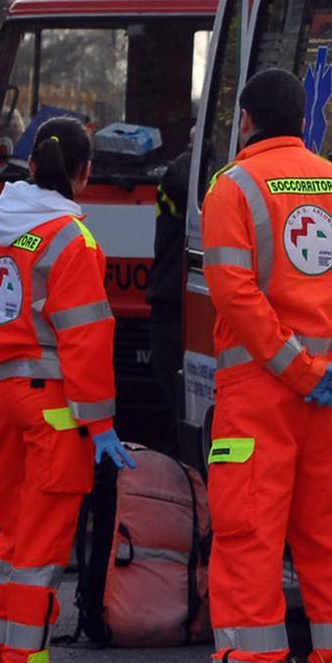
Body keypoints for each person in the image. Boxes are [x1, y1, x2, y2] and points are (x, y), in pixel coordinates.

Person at [180, 69, 332, 663]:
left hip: (260, 398)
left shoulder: (233, 189)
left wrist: (299, 370)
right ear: (306, 119)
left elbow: (235, 295)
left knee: (248, 538)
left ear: (245, 119)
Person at [0, 117, 136, 663]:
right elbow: (85, 338)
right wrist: (101, 424)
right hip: (53, 406)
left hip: (1, 401)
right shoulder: (71, 240)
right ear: (83, 173)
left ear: (30, 164)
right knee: (41, 546)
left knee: (11, 536)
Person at [145, 137, 192, 457]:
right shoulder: (182, 171)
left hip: (181, 306)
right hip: (170, 304)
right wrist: (203, 143)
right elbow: (182, 180)